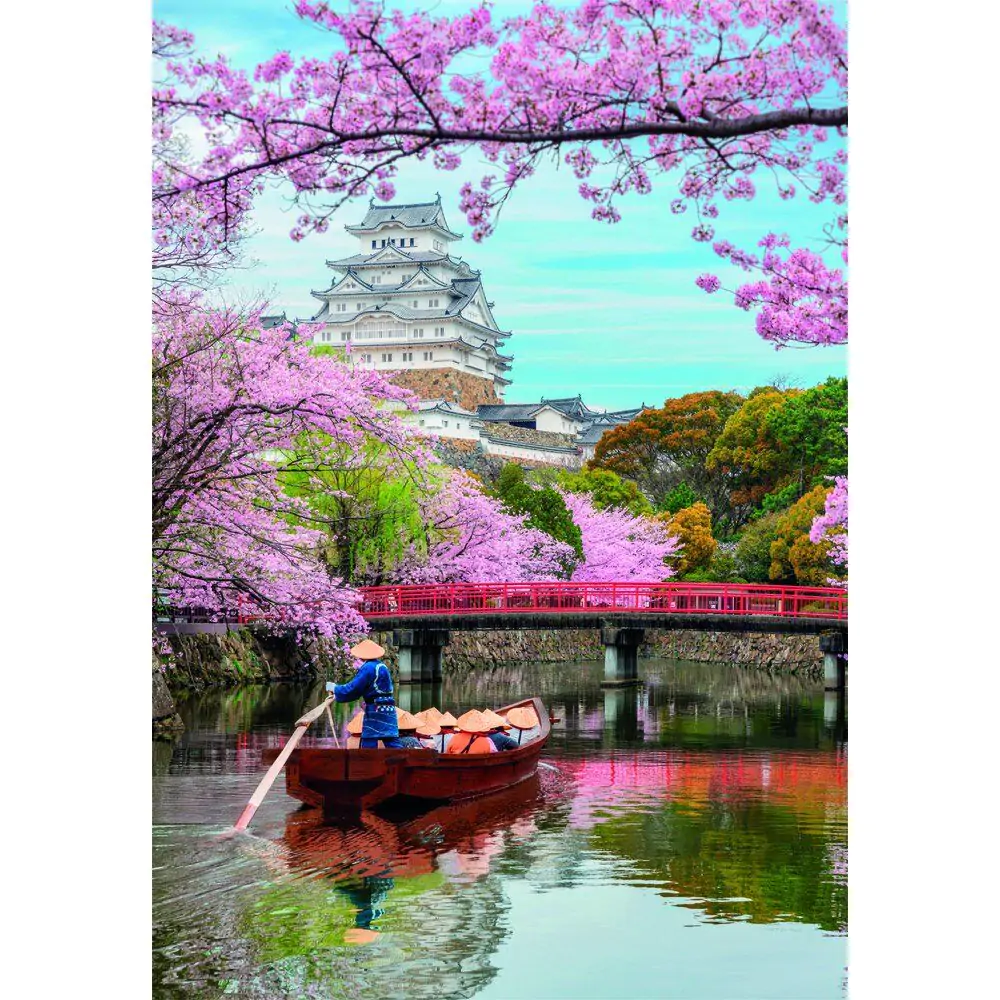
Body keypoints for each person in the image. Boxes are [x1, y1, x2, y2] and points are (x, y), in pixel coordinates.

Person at [328, 639, 405, 748]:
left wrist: (335, 688)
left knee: (369, 741)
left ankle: (367, 763)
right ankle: (402, 762)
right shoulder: (382, 666)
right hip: (389, 709)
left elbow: (353, 688)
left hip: (375, 709)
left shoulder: (368, 668)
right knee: (392, 740)